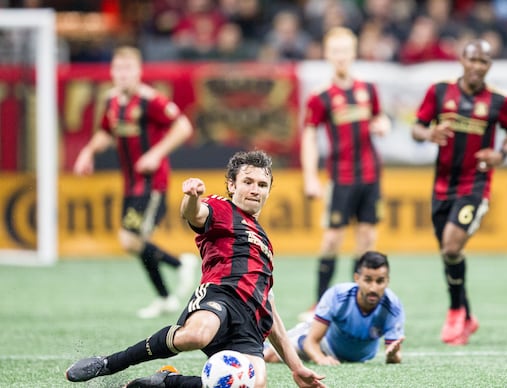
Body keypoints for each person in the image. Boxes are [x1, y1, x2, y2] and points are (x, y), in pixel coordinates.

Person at [65, 150, 326, 388]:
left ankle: (167, 382)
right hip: (221, 296)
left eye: (262, 185)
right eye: (248, 182)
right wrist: (191, 198)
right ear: (232, 185)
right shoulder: (223, 208)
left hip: (251, 324)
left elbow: (269, 308)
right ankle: (110, 363)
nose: (255, 189)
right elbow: (195, 214)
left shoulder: (265, 243)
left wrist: (297, 367)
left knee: (252, 384)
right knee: (197, 335)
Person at [72, 45, 198, 319]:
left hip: (153, 183)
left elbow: (183, 127)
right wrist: (87, 152)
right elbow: (106, 133)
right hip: (130, 183)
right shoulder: (112, 101)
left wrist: (155, 154)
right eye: (118, 69)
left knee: (131, 240)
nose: (123, 75)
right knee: (139, 242)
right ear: (112, 72)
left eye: (128, 69)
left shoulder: (151, 100)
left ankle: (180, 265)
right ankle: (165, 296)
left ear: (139, 72)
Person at [411, 39, 507, 345]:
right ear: (462, 60)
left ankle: (455, 311)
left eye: (484, 62)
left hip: (475, 184)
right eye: (473, 60)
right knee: (450, 255)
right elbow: (416, 128)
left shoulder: (500, 100)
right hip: (442, 186)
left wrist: (501, 154)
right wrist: (428, 133)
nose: (477, 67)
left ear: (489, 66)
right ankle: (467, 317)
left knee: (451, 246)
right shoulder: (439, 92)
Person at [300, 26, 391, 321]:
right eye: (335, 52)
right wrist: (311, 177)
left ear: (353, 54)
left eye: (345, 51)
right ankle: (319, 304)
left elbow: (379, 117)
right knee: (331, 240)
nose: (340, 57)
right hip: (341, 177)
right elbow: (310, 137)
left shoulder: (368, 89)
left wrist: (383, 124)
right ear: (327, 55)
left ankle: (358, 301)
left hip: (370, 175)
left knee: (367, 238)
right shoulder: (321, 97)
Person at [264, 250, 405, 365]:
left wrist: (393, 355)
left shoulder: (392, 307)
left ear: (388, 281)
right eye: (368, 280)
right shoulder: (338, 296)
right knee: (270, 355)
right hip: (325, 343)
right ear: (357, 278)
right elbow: (311, 342)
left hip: (360, 358)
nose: (373, 287)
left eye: (380, 281)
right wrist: (321, 358)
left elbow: (394, 357)